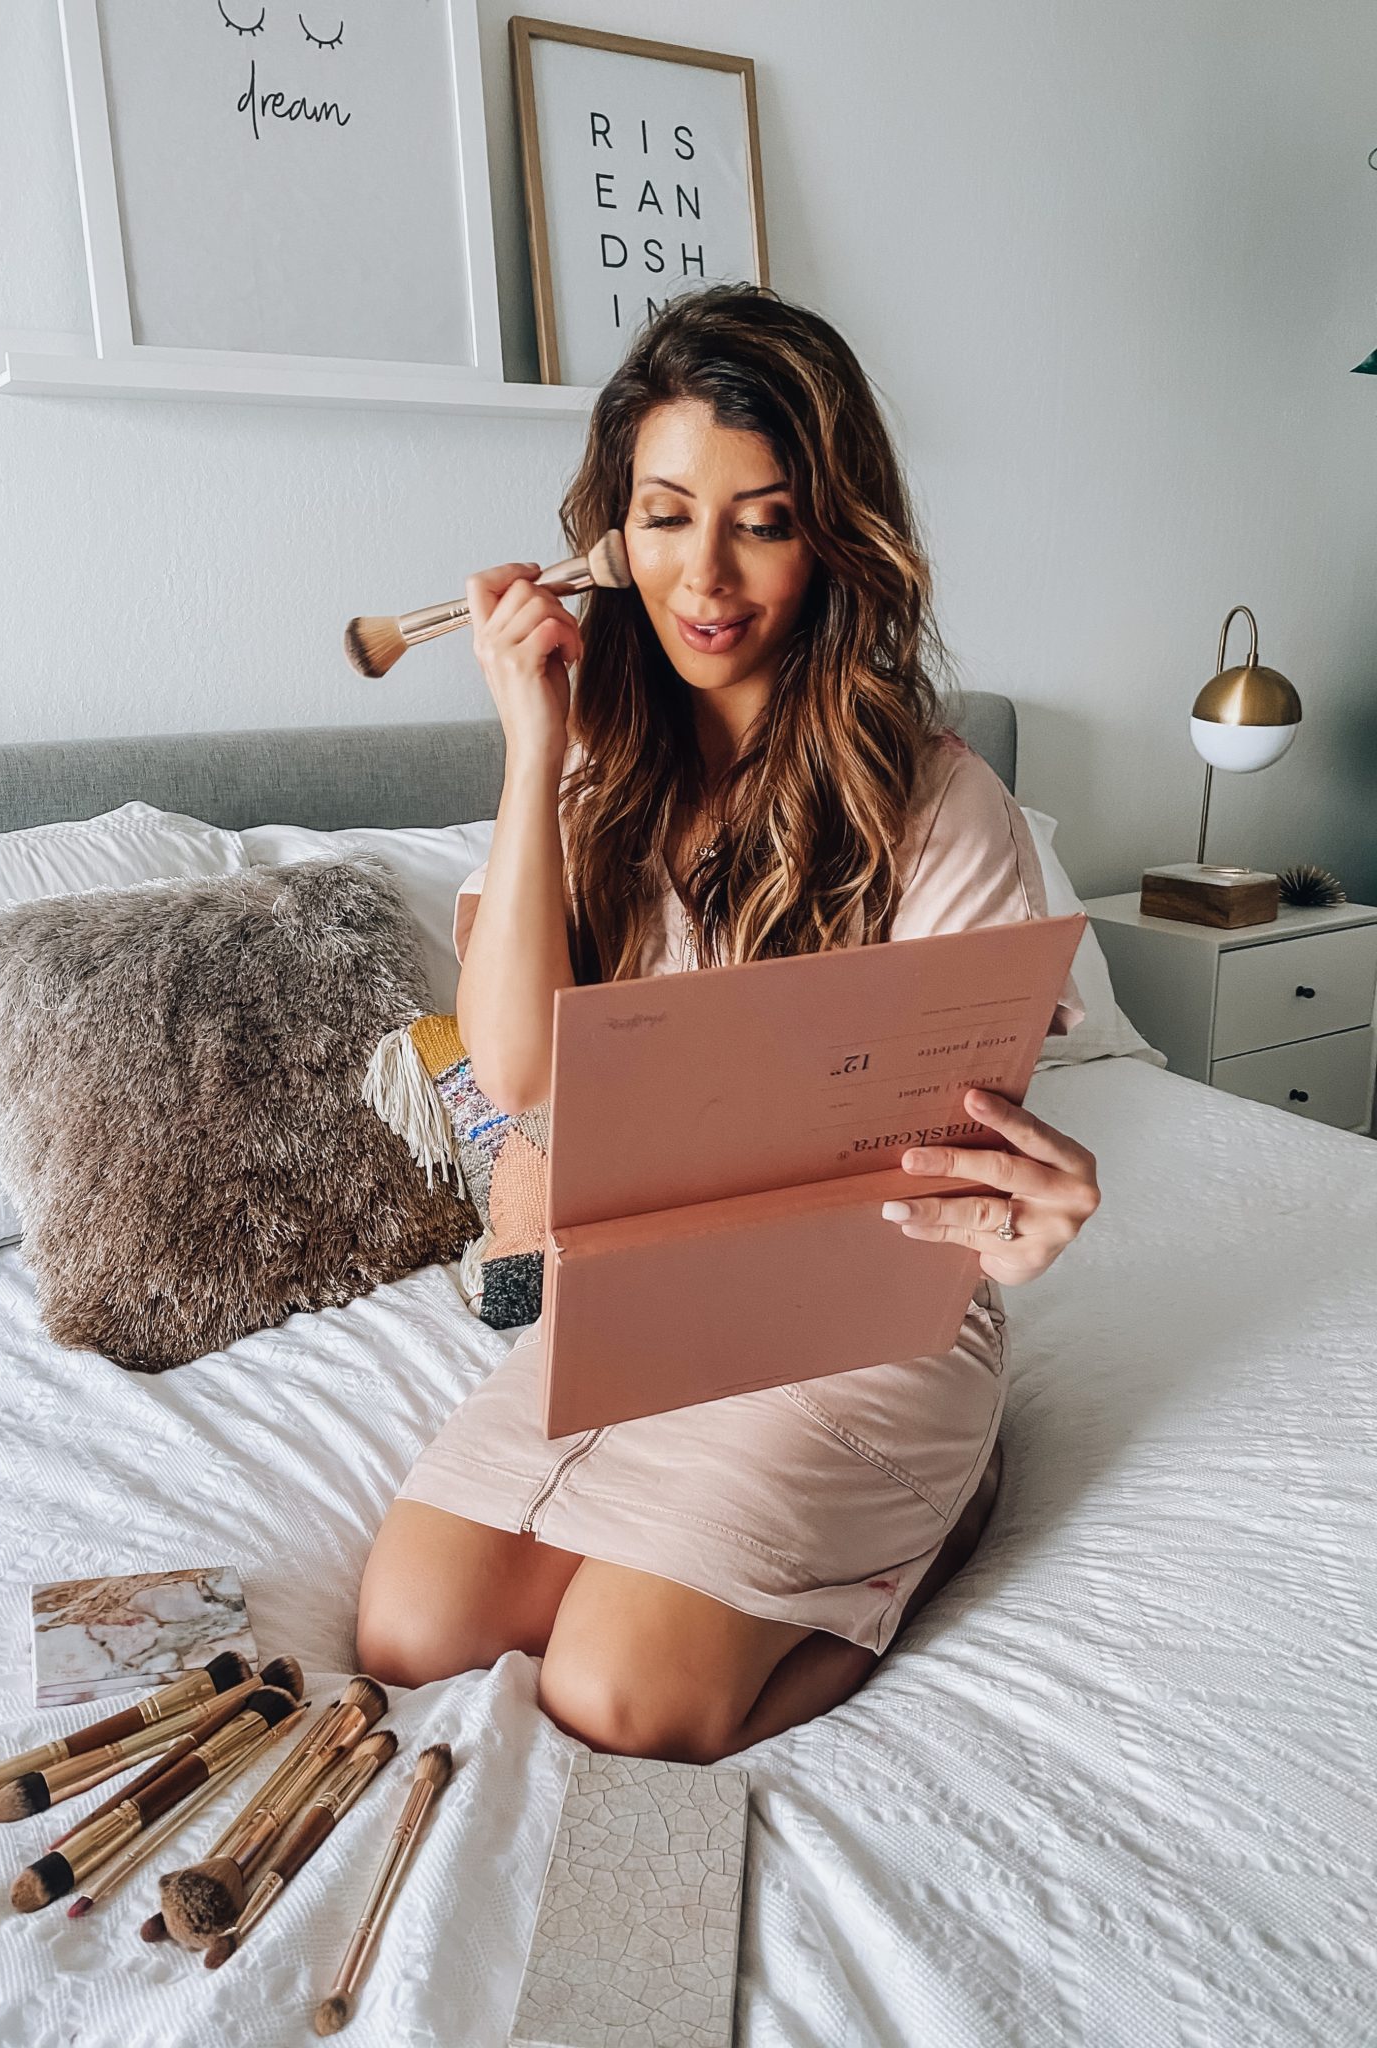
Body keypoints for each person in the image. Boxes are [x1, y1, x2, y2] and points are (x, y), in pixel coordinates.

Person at [356, 283, 1100, 1765]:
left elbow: (979, 1171)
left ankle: (916, 1542)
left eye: (761, 520)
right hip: (641, 1308)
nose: (708, 574)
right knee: (408, 1633)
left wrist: (1030, 1220)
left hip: (858, 1319)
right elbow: (509, 1072)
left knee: (616, 1697)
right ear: (610, 535)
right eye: (666, 514)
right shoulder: (587, 776)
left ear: (831, 533)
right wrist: (531, 748)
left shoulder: (940, 804)